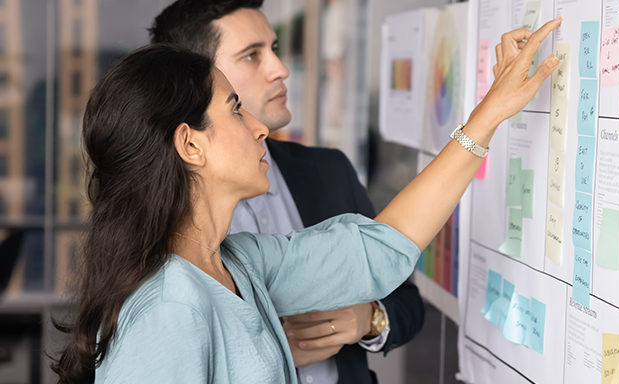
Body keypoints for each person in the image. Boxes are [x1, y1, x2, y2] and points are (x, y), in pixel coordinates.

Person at [50, 17, 562, 384]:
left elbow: (380, 249)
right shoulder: (164, 313)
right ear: (190, 144)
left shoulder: (239, 262)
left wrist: (489, 114)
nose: (257, 127)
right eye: (234, 110)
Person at [148, 2, 422, 382]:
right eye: (251, 56)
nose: (280, 69)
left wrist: (370, 318)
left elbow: (396, 273)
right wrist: (264, 349)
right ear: (198, 77)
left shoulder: (328, 171)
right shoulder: (157, 229)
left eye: (273, 49)